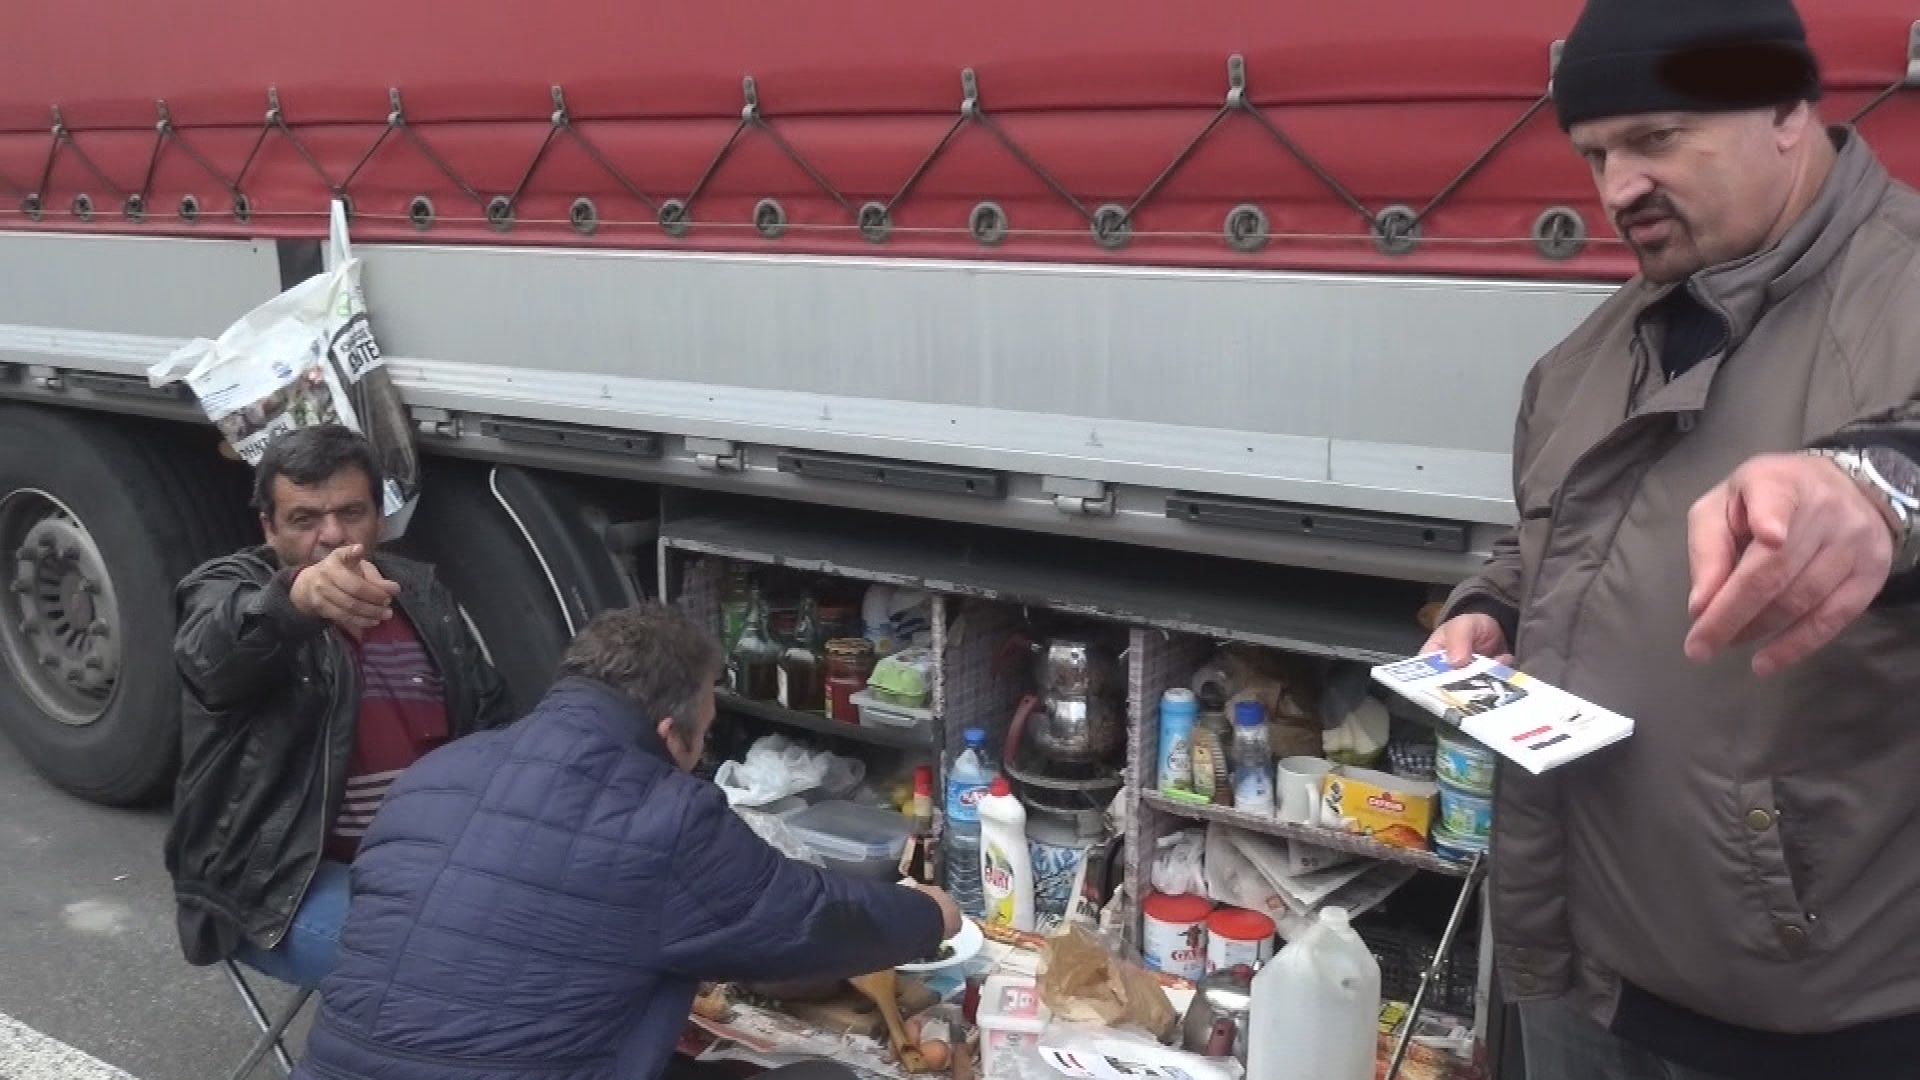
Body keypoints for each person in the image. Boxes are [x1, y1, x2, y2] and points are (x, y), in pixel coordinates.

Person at [1424, 1, 1920, 1077]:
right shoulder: (1588, 357)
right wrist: (1489, 610)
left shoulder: (1906, 292)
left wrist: (1877, 488)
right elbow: (1545, 540)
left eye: (1656, 139)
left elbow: (1896, 468)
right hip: (1585, 973)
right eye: (1597, 154)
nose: (1617, 190)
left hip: (1815, 1021)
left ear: (1789, 108)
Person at [292, 603, 962, 1080]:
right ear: (671, 733)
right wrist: (930, 914)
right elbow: (805, 921)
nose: (698, 758)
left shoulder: (431, 774)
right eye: (703, 736)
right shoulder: (662, 815)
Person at [163, 424, 512, 985]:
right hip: (278, 877)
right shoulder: (230, 590)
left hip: (430, 860)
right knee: (437, 972)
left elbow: (492, 721)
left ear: (379, 517)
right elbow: (209, 656)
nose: (331, 536)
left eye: (351, 513)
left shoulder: (420, 594)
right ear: (269, 529)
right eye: (304, 519)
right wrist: (294, 601)